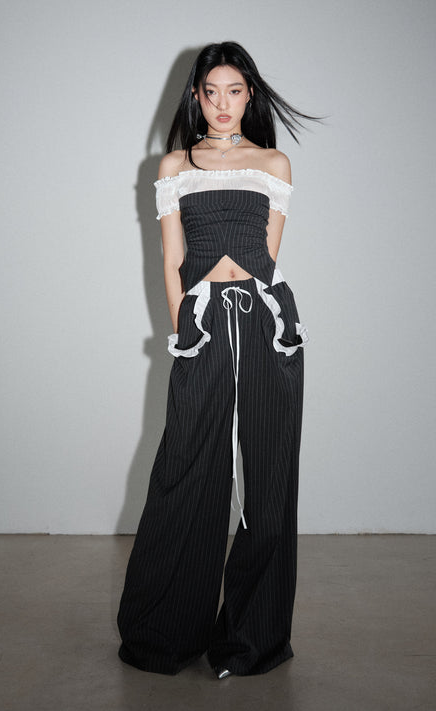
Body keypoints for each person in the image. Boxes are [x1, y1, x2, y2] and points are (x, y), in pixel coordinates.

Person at [117, 41, 315, 678]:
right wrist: (187, 332)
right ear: (196, 97)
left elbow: (268, 257)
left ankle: (252, 639)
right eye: (212, 92)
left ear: (249, 95)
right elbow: (171, 259)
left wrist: (257, 318)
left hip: (265, 325)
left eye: (235, 91)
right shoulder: (174, 164)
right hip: (202, 324)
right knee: (185, 469)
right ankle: (166, 632)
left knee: (270, 477)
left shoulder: (274, 164)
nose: (223, 104)